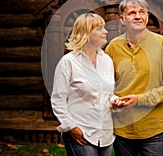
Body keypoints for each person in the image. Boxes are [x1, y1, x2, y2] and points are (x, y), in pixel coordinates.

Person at [105, 0, 163, 156]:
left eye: (142, 12)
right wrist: (112, 100)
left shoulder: (162, 43)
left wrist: (139, 99)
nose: (138, 16)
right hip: (122, 129)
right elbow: (105, 85)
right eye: (132, 13)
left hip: (153, 129)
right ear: (122, 19)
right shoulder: (112, 47)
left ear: (147, 17)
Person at [51, 13, 123, 156]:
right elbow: (58, 99)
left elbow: (106, 93)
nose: (105, 31)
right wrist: (71, 127)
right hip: (81, 133)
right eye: (99, 28)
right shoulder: (68, 62)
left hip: (105, 134)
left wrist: (114, 100)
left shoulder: (107, 60)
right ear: (86, 33)